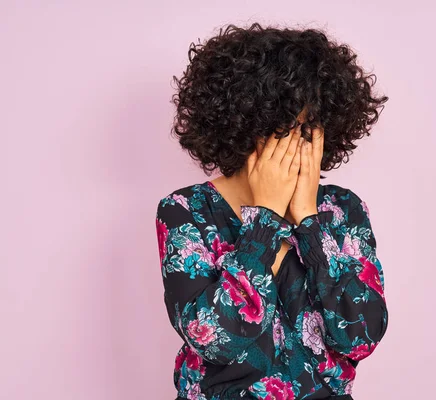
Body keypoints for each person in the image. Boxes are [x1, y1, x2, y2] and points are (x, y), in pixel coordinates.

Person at [155, 22, 389, 400]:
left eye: (309, 128)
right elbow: (217, 342)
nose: (298, 144)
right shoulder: (185, 211)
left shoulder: (343, 209)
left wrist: (309, 221)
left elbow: (360, 339)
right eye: (284, 129)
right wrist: (266, 220)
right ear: (245, 125)